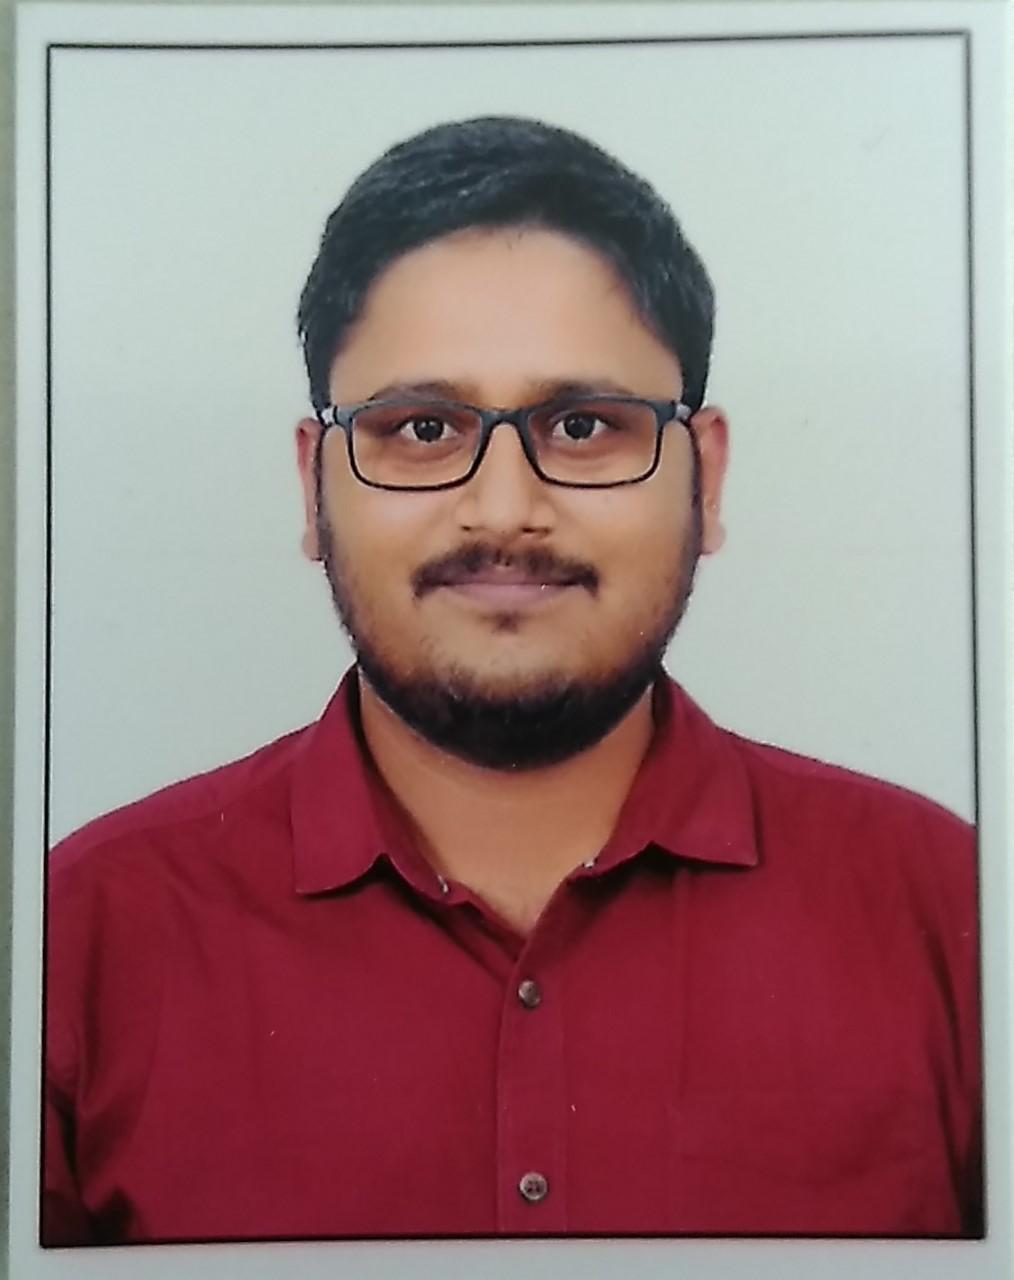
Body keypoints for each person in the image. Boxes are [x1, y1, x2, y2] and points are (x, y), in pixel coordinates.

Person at [42, 116, 981, 1246]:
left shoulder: (957, 915)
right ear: (314, 485)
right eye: (421, 427)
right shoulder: (75, 941)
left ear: (707, 473)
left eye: (582, 425)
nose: (502, 510)